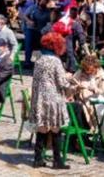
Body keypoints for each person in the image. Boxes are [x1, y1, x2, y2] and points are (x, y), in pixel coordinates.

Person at [30, 31, 71, 170]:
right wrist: (71, 82)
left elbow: (35, 80)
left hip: (39, 97)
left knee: (42, 127)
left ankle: (38, 159)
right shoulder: (55, 61)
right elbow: (62, 82)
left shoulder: (39, 59)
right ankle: (57, 161)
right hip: (53, 97)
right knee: (55, 128)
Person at [69, 54, 104, 131]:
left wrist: (95, 89)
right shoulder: (80, 72)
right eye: (86, 70)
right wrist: (76, 88)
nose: (88, 72)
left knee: (96, 107)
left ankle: (98, 130)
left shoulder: (103, 74)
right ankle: (90, 129)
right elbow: (71, 86)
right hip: (81, 100)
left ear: (96, 67)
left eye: (91, 70)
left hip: (97, 98)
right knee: (79, 106)